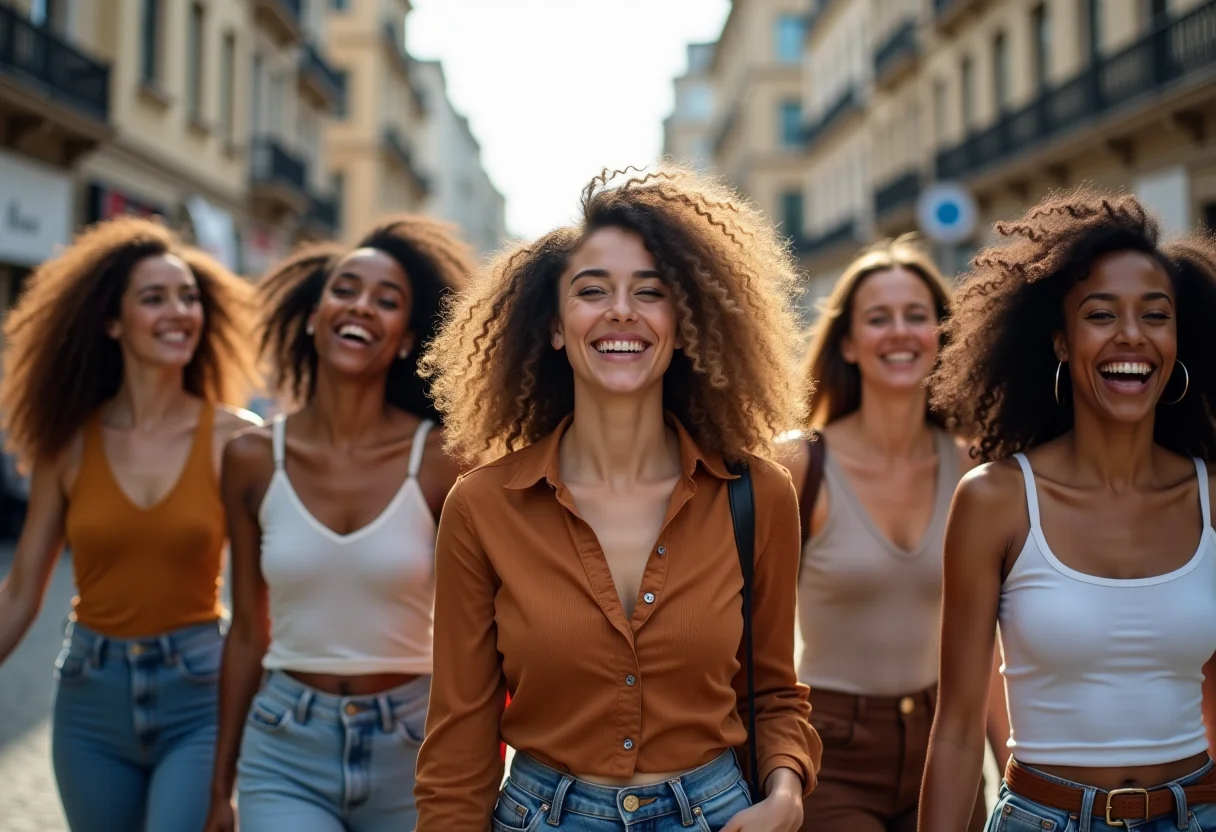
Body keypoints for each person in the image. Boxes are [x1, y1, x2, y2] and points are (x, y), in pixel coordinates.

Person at [414, 166, 822, 831]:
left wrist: (784, 796)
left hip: (718, 816)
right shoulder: (482, 507)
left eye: (650, 292)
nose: (621, 311)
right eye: (592, 290)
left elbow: (774, 692)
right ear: (553, 326)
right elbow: (460, 736)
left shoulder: (757, 494)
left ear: (686, 324)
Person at [920, 190, 1216, 831]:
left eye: (1155, 315)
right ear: (1060, 341)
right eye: (1101, 314)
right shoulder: (994, 501)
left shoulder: (1212, 498)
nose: (1131, 335)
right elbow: (957, 729)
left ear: (1179, 339)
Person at [203, 215, 471, 832]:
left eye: (388, 300)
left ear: (407, 337)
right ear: (314, 314)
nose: (363, 307)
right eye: (346, 289)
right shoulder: (250, 459)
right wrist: (221, 788)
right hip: (284, 746)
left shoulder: (441, 461)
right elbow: (247, 630)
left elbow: (477, 632)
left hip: (412, 746)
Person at [0, 216, 260, 831]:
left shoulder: (238, 440)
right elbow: (20, 591)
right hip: (89, 699)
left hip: (197, 695)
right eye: (154, 298)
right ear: (112, 322)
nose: (179, 311)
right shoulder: (67, 445)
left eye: (188, 296)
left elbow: (265, 600)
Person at [782, 236, 1005, 832]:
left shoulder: (976, 468)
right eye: (878, 319)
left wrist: (1015, 772)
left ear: (942, 334)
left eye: (917, 316)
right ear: (849, 343)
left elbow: (992, 642)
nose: (900, 332)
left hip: (947, 745)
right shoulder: (800, 466)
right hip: (830, 747)